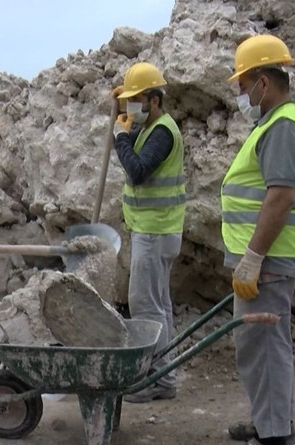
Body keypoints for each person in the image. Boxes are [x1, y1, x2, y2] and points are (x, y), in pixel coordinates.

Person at [217, 34, 295, 445]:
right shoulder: (274, 123)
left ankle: (272, 444)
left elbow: (280, 197)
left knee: (264, 345)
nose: (241, 94)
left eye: (243, 85)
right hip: (266, 258)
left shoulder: (283, 127)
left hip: (270, 260)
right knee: (259, 345)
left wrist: (254, 257)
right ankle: (270, 422)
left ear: (263, 81)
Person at [111, 62, 186, 403]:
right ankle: (164, 375)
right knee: (159, 306)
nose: (133, 108)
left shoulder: (162, 132)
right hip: (154, 230)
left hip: (155, 233)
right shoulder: (150, 127)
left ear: (155, 101)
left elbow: (138, 170)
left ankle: (157, 379)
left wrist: (121, 137)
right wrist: (123, 111)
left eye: (138, 101)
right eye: (130, 102)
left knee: (146, 306)